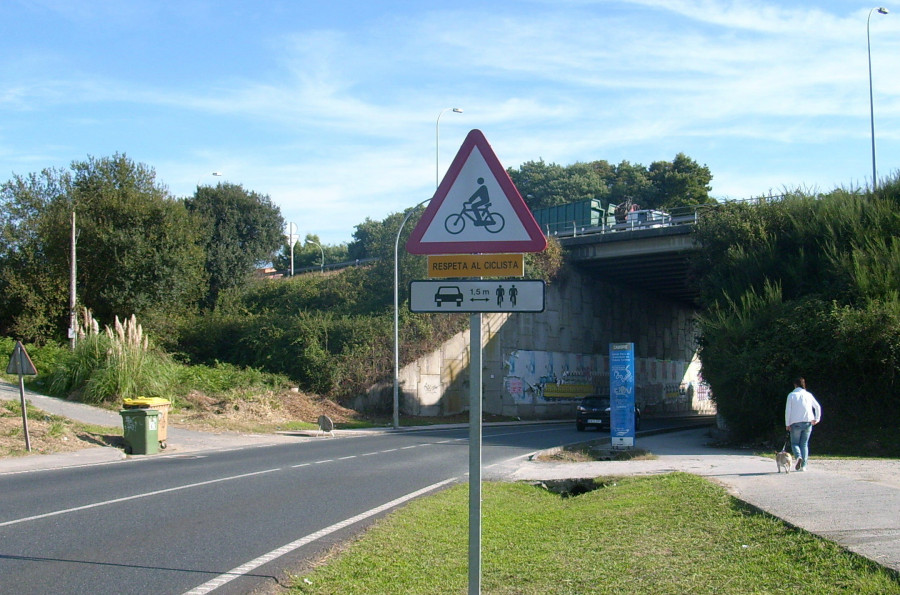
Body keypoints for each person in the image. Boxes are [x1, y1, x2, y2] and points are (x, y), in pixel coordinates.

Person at [785, 377, 822, 471]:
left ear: (795, 385)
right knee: (804, 444)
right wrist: (817, 418)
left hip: (795, 423)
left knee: (794, 443)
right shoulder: (809, 395)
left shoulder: (792, 395)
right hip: (808, 422)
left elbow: (788, 410)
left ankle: (798, 457)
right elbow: (817, 406)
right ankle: (804, 466)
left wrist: (787, 423)